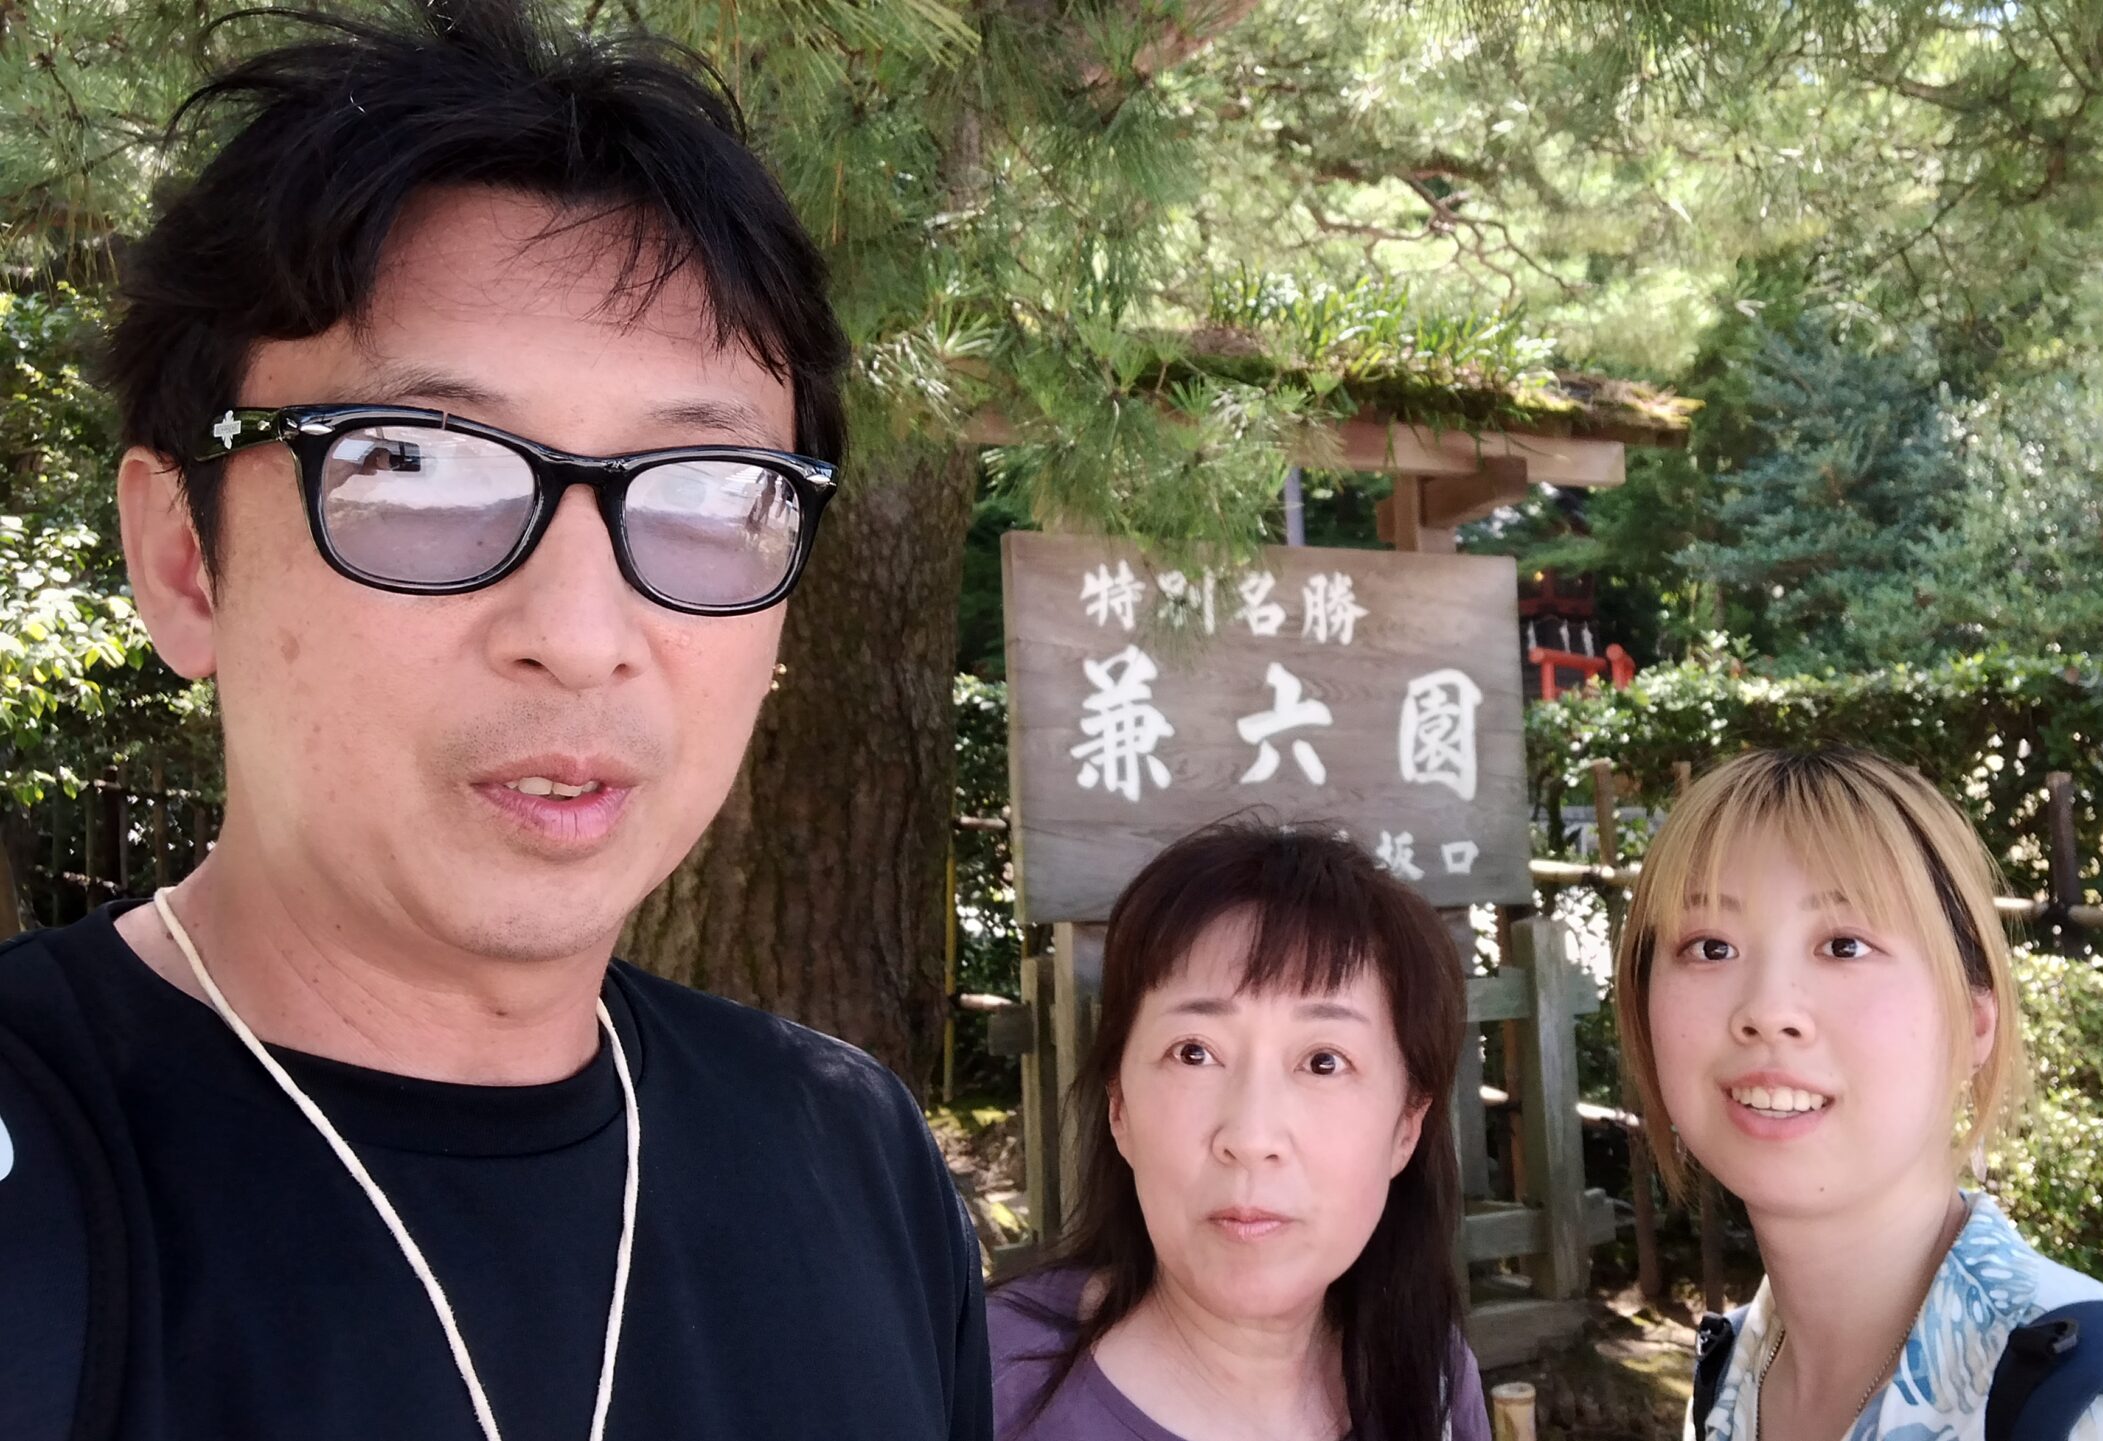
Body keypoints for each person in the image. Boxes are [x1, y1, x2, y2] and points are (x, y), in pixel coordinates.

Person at [0, 4, 991, 1439]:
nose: (580, 635)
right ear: (183, 561)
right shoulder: (40, 1190)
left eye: (712, 491)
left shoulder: (855, 1159)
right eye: (413, 468)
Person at [1616, 748, 2103, 1441]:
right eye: (1710, 947)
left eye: (1844, 945)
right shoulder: (1732, 1383)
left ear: (1974, 1023)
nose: (1767, 1010)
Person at [988, 821, 1493, 1441]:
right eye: (1194, 1052)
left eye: (1323, 1062)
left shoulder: (1430, 1377)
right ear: (1119, 1106)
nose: (1252, 1138)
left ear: (1406, 1128)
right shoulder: (986, 1383)